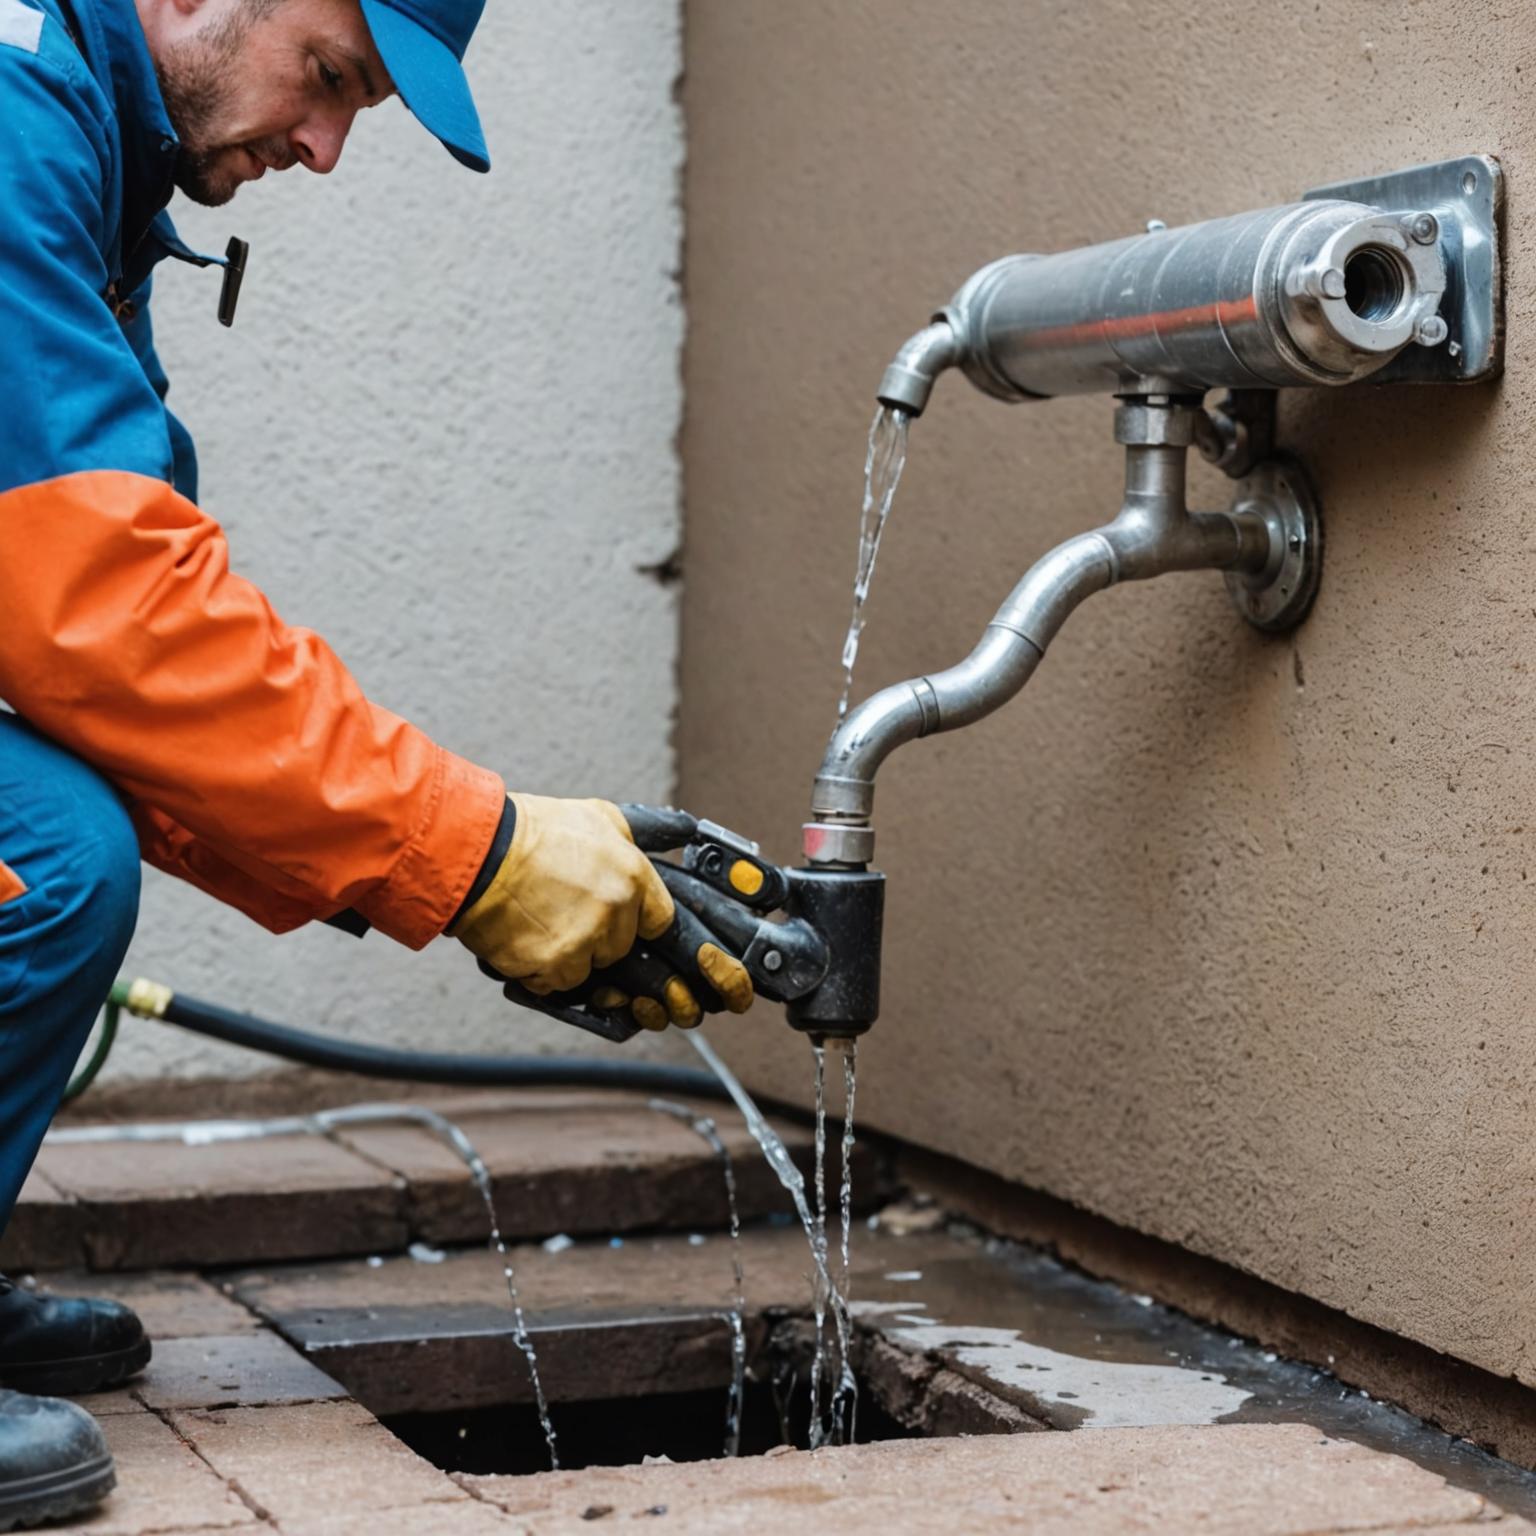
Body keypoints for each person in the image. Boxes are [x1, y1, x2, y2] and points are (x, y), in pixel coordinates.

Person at [0, 0, 752, 1524]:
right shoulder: (13, 117)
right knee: (44, 859)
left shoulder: (88, 139)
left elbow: (109, 661)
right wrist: (473, 857)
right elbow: (108, 620)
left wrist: (450, 862)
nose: (327, 149)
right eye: (331, 78)